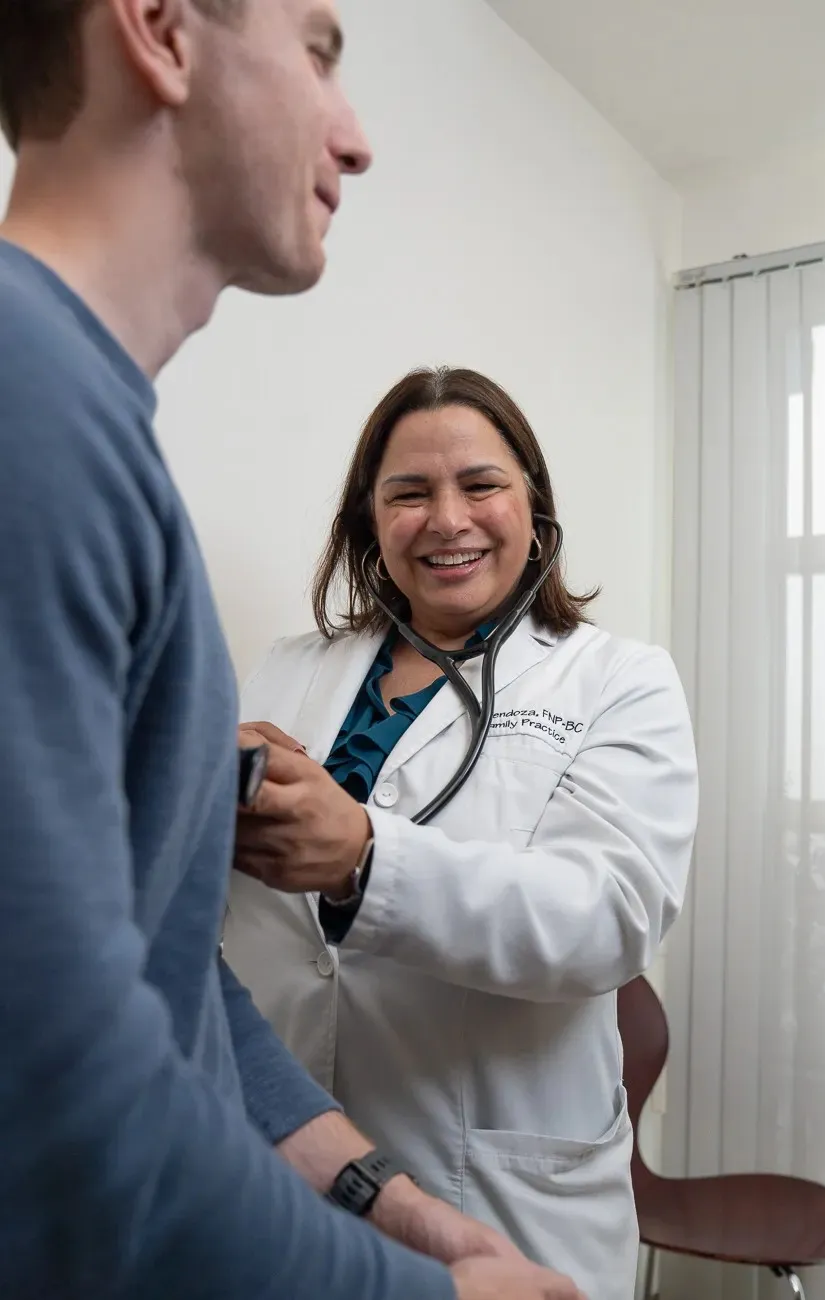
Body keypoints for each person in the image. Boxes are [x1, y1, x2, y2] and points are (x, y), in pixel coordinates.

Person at [0, 1, 585, 1297]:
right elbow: (57, 1091)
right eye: (319, 52)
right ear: (157, 28)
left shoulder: (92, 438)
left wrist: (385, 1199)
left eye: (481, 487)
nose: (358, 137)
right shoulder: (30, 406)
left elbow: (164, 971)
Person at [223, 366, 700, 1300]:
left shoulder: (618, 682)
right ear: (370, 522)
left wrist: (365, 857)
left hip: (493, 1189)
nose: (447, 519)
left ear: (535, 509)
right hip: (281, 1166)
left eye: (481, 485)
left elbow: (607, 916)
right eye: (409, 493)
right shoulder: (286, 673)